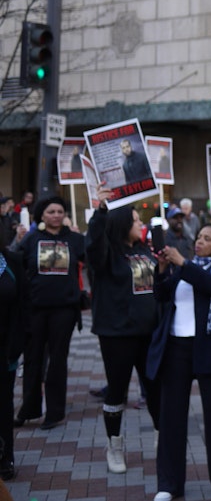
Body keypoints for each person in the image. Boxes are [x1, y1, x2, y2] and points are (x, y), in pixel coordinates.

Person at [147, 223, 211, 501]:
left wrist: (183, 264)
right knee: (171, 417)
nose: (199, 241)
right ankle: (169, 483)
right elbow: (161, 295)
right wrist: (164, 269)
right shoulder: (183, 267)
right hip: (176, 346)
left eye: (207, 238)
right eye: (199, 237)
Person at [85, 192, 161, 473]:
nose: (140, 223)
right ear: (120, 223)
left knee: (154, 387)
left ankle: (160, 436)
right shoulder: (106, 255)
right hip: (117, 334)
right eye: (135, 219)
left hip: (149, 333)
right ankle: (114, 446)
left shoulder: (145, 251)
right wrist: (101, 212)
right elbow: (93, 245)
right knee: (117, 391)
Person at [15, 196, 86, 430]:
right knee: (33, 359)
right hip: (34, 309)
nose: (56, 215)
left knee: (57, 361)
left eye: (59, 211)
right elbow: (11, 262)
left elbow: (95, 261)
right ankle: (29, 409)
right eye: (51, 212)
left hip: (64, 310)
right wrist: (16, 243)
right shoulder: (30, 239)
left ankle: (55, 413)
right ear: (42, 216)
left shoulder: (75, 240)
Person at [0, 245, 26, 480]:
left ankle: (5, 456)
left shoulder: (12, 261)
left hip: (6, 349)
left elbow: (23, 304)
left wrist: (19, 344)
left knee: (3, 404)